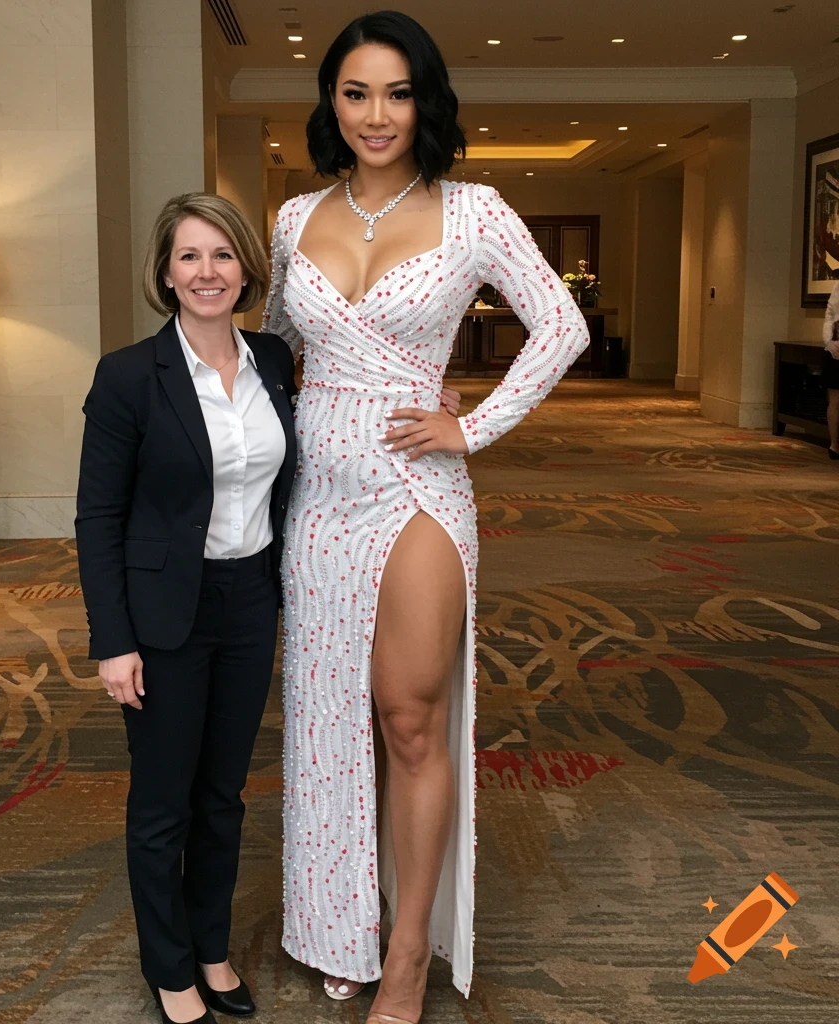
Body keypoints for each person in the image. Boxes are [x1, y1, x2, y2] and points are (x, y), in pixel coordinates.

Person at [262, 11, 589, 1024]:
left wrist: (474, 427)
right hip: (318, 492)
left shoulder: (475, 210)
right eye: (355, 92)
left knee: (408, 713)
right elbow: (274, 353)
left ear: (426, 100)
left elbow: (561, 324)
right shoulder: (288, 218)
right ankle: (335, 923)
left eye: (397, 92)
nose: (376, 114)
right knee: (323, 717)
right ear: (331, 101)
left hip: (414, 486)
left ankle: (406, 951)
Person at [75, 193, 298, 1024]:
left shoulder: (274, 358)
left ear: (246, 267)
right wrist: (114, 638)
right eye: (189, 257)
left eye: (222, 255)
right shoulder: (130, 374)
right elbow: (98, 516)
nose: (208, 273)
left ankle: (212, 946)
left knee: (224, 795)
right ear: (165, 274)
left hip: (250, 604)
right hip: (164, 612)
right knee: (164, 799)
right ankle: (169, 968)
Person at [823, 278, 839, 460]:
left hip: (834, 344)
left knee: (835, 400)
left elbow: (829, 315)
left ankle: (835, 445)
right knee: (835, 399)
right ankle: (835, 445)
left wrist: (829, 341)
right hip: (835, 347)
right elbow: (830, 315)